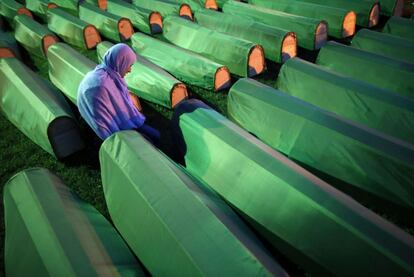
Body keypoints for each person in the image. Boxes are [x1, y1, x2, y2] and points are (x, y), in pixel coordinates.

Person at [77, 43, 160, 143]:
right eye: (129, 65)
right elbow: (108, 123)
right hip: (111, 134)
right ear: (119, 62)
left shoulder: (105, 73)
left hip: (104, 125)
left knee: (154, 135)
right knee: (155, 137)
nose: (129, 70)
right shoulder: (102, 85)